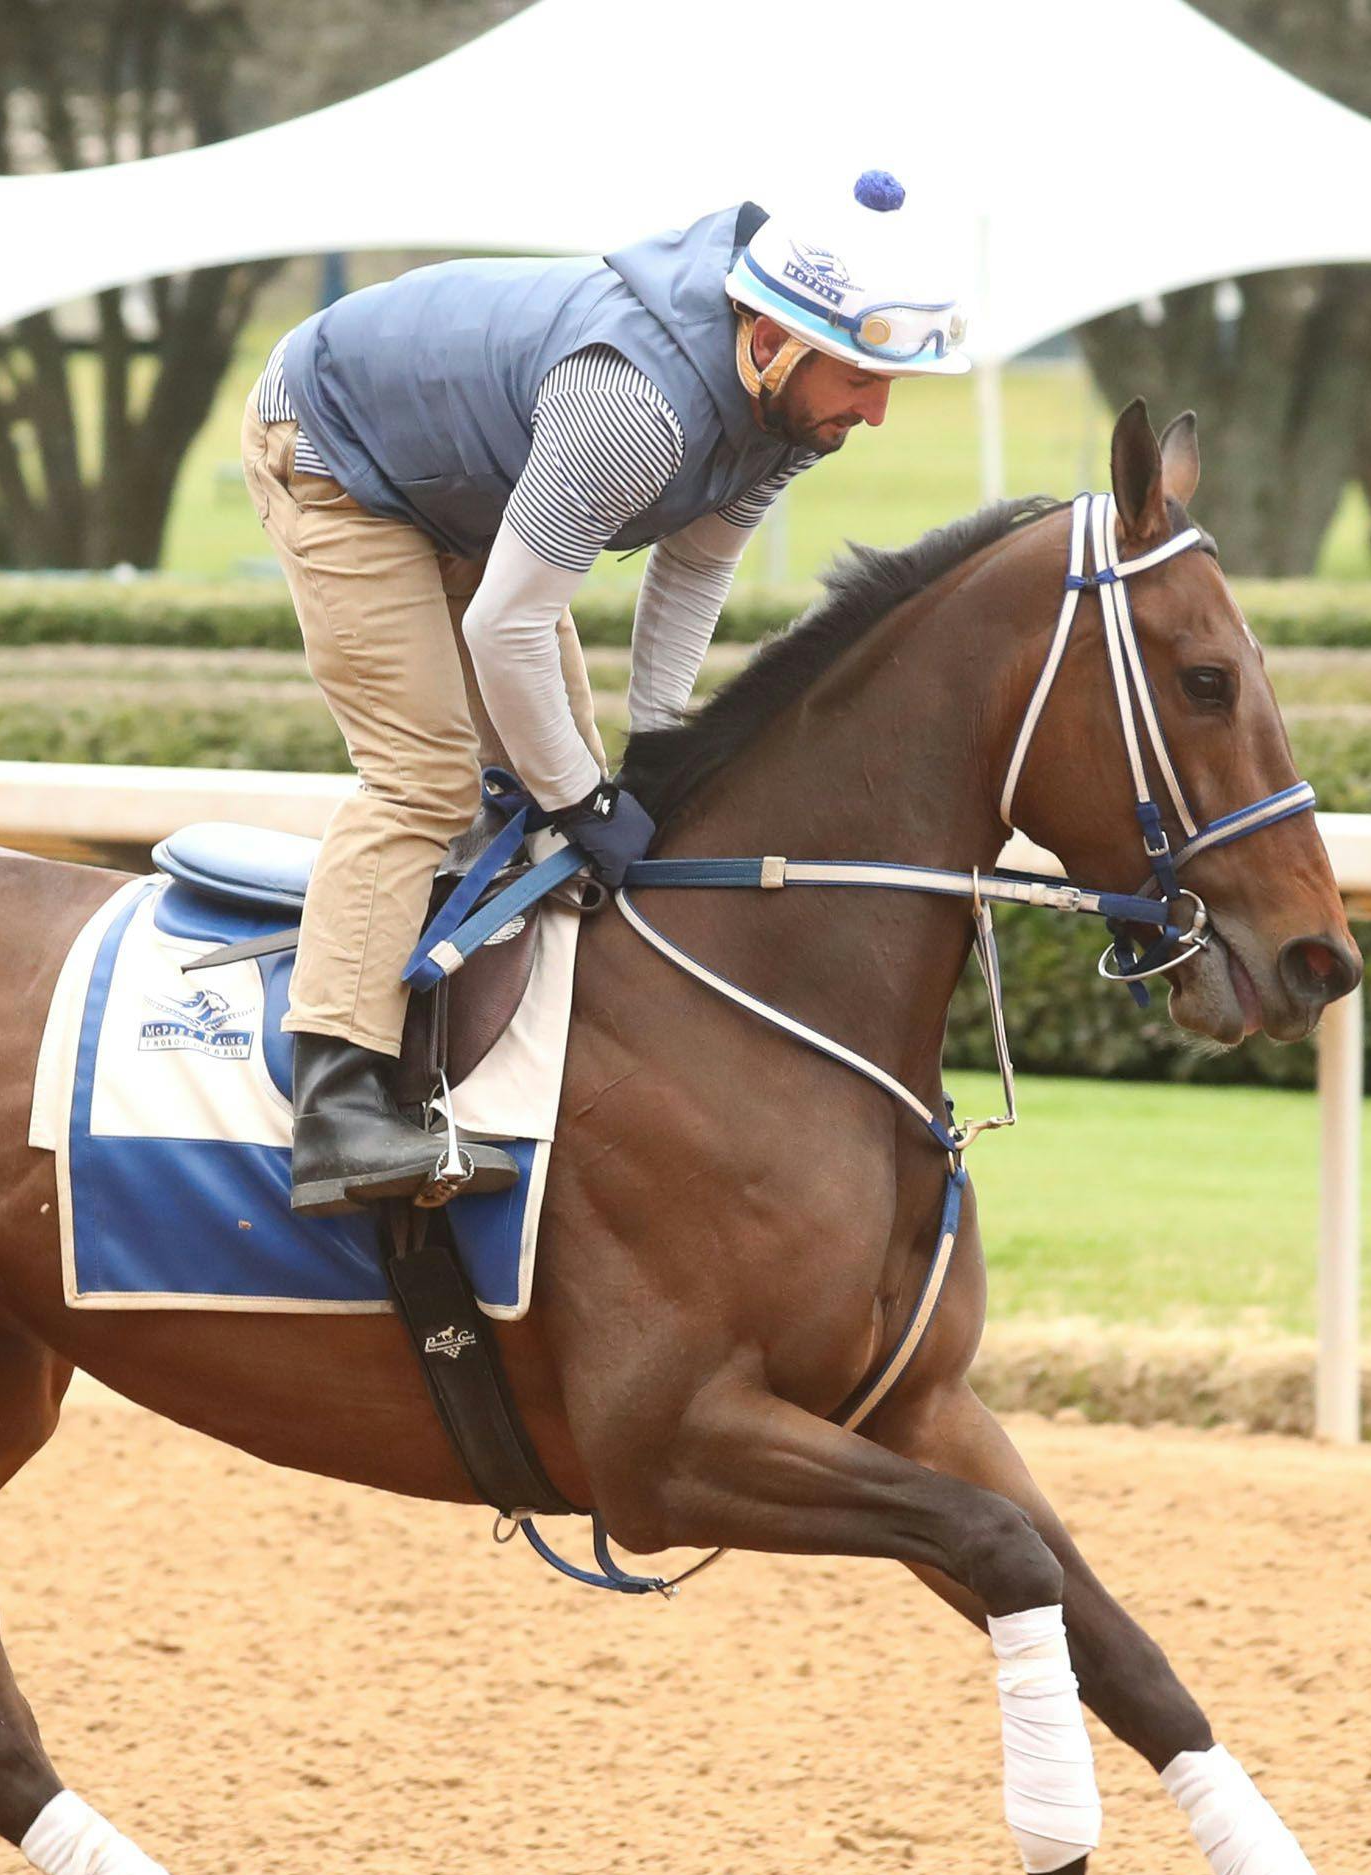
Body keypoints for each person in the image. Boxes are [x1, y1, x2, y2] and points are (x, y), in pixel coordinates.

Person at [243, 170, 973, 1215]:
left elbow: (691, 572)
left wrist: (657, 755)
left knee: (561, 788)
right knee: (430, 781)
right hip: (336, 454)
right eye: (862, 377)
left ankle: (502, 1067)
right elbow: (507, 626)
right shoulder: (635, 409)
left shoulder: (786, 415)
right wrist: (582, 797)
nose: (878, 412)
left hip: (464, 490)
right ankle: (338, 1106)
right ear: (771, 342)